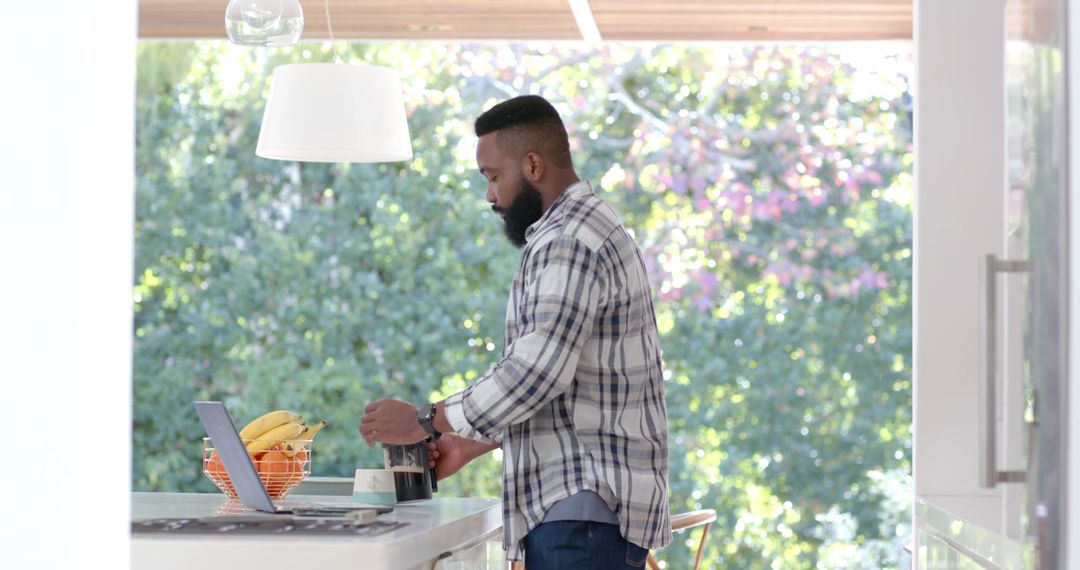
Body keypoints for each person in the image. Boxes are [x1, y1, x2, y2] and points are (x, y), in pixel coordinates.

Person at [359, 94, 671, 569]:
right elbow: (563, 394)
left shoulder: (568, 240)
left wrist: (424, 419)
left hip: (579, 516)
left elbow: (534, 375)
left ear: (532, 165)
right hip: (584, 516)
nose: (489, 195)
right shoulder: (584, 229)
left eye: (492, 176)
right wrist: (466, 444)